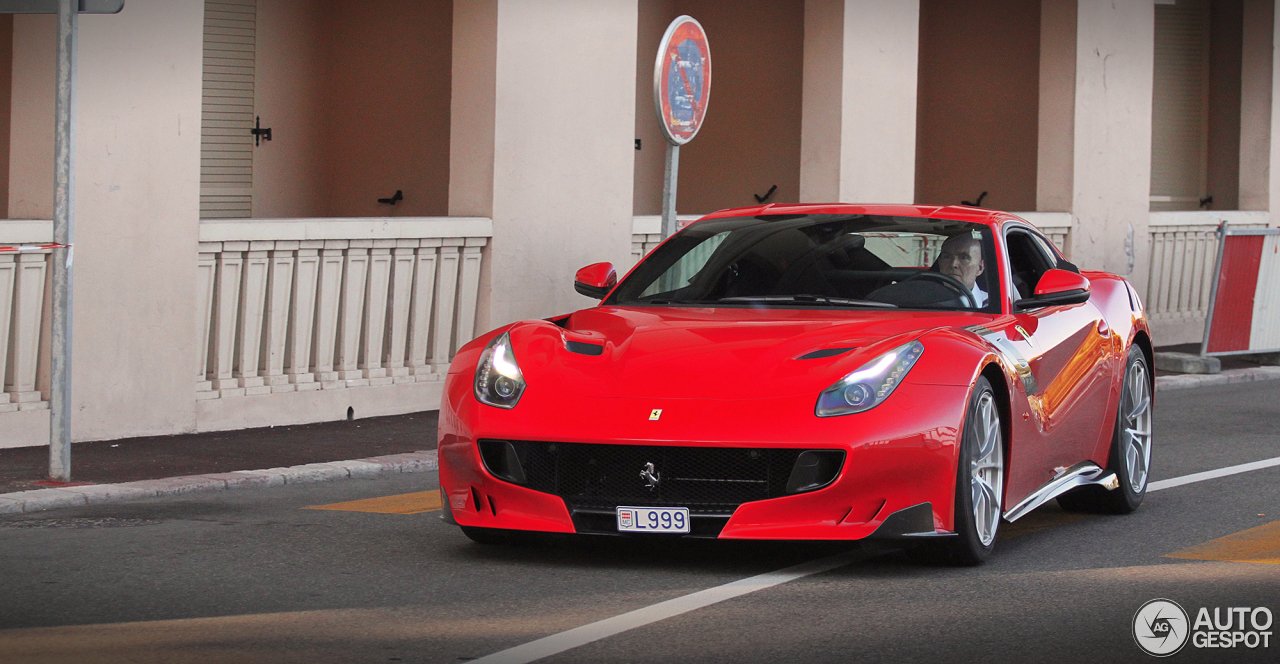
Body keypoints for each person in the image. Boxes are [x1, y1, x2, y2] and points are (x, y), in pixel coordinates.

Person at [937, 233, 987, 307]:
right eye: (947, 257)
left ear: (980, 268)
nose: (953, 264)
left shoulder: (994, 306)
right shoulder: (922, 299)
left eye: (963, 258)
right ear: (940, 263)